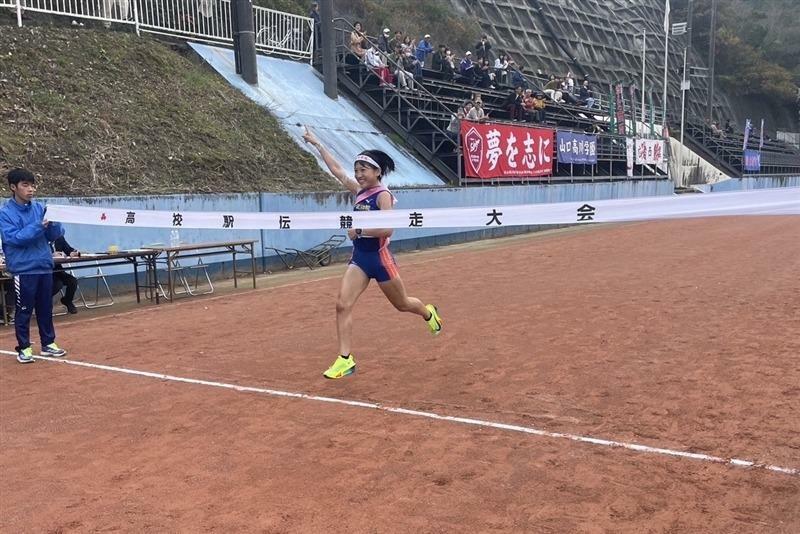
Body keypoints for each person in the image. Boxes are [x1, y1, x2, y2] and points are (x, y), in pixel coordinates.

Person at [301, 127, 442, 379]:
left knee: (402, 304)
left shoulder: (383, 195)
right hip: (360, 260)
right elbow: (337, 171)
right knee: (342, 304)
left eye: (363, 170)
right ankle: (345, 359)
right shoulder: (359, 192)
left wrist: (360, 230)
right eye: (356, 170)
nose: (358, 174)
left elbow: (388, 229)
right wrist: (317, 144)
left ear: (377, 172)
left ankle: (428, 313)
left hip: (380, 259)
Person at [0, 168, 68, 364]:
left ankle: (48, 343)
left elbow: (53, 235)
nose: (30, 189)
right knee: (24, 309)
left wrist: (53, 223)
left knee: (45, 308)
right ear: (13, 187)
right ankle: (24, 347)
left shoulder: (39, 208)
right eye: (25, 185)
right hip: (24, 269)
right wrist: (39, 225)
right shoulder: (5, 213)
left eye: (32, 185)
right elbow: (15, 238)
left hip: (43, 265)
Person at [51, 234, 80, 314]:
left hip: (57, 269)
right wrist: (51, 255)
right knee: (57, 284)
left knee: (72, 281)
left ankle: (67, 300)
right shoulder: (42, 238)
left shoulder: (59, 237)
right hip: (45, 270)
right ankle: (42, 303)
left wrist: (74, 252)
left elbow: (68, 249)